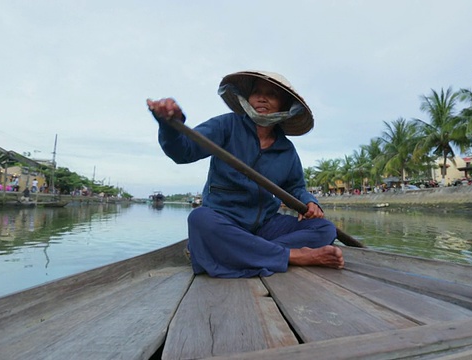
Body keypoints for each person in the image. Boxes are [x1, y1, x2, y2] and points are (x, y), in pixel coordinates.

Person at [147, 70, 344, 278]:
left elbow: (296, 187)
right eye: (256, 92)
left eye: (272, 94)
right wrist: (169, 126)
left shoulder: (286, 150)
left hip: (265, 226)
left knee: (325, 229)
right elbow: (183, 151)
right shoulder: (227, 125)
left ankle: (240, 252)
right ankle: (292, 256)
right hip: (225, 220)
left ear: (284, 106)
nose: (261, 98)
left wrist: (309, 201)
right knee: (199, 219)